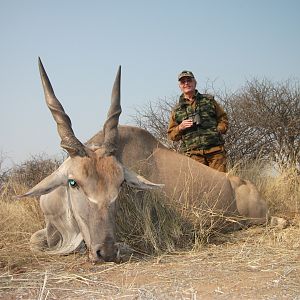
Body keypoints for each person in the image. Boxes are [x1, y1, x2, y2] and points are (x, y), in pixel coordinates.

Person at [167, 70, 228, 172]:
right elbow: (171, 135)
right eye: (183, 82)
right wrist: (180, 127)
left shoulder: (209, 100)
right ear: (180, 86)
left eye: (189, 80)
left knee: (221, 184)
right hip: (193, 156)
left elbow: (223, 118)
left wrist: (218, 130)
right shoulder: (177, 109)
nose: (186, 83)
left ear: (195, 82)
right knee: (199, 186)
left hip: (215, 152)